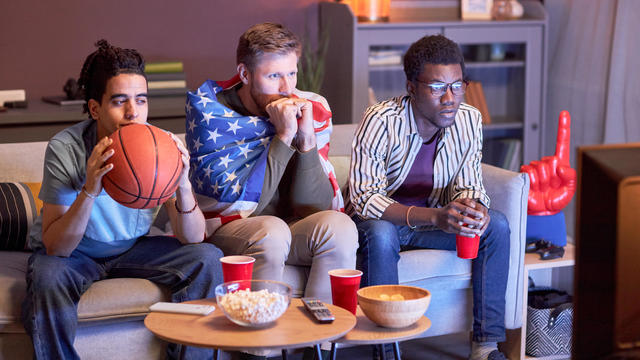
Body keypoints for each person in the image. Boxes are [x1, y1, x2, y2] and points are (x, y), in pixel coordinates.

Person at [21, 40, 223, 360]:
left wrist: (182, 184)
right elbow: (57, 247)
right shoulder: (66, 148)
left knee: (207, 258)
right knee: (48, 275)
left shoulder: (159, 148)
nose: (133, 113)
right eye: (119, 101)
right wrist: (90, 188)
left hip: (132, 248)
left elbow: (194, 237)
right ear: (94, 108)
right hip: (76, 253)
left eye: (141, 100)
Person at [186, 23, 357, 359]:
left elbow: (315, 208)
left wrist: (305, 142)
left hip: (285, 232)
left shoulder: (311, 110)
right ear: (244, 74)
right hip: (229, 229)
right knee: (271, 229)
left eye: (292, 74)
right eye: (273, 76)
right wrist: (280, 139)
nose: (287, 88)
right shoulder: (212, 115)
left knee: (340, 226)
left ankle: (319, 347)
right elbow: (247, 206)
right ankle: (259, 350)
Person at [347, 34, 510, 360]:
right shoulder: (381, 120)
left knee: (498, 227)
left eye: (457, 85)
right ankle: (386, 351)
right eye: (437, 87)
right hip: (379, 225)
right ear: (411, 86)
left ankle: (486, 345)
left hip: (435, 222)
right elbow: (365, 198)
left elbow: (469, 183)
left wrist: (473, 208)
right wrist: (434, 217)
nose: (450, 98)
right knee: (381, 234)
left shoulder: (469, 120)